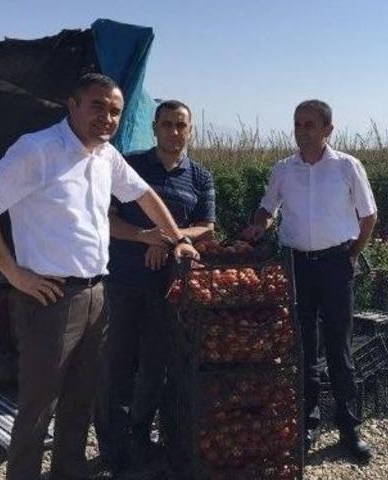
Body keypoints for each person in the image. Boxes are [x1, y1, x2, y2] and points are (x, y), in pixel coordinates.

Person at [0, 73, 198, 480]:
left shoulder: (106, 156)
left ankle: (69, 472)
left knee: (81, 399)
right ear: (73, 105)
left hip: (96, 293)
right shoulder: (38, 150)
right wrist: (13, 273)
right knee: (39, 405)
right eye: (97, 106)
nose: (107, 118)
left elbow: (143, 195)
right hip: (49, 297)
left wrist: (177, 240)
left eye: (116, 111)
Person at [240, 99, 378, 463]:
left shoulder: (348, 167)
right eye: (298, 124)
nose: (302, 131)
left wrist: (350, 256)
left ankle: (349, 428)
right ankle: (308, 423)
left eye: (310, 125)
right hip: (297, 267)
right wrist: (259, 223)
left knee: (339, 348)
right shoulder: (284, 169)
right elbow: (268, 207)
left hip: (336, 265)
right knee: (302, 347)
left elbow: (369, 217)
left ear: (328, 129)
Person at [96, 100, 215, 474]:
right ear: (155, 128)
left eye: (181, 125)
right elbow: (106, 220)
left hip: (171, 288)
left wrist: (166, 240)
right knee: (117, 363)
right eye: (167, 124)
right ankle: (113, 448)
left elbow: (207, 228)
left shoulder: (199, 176)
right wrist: (144, 237)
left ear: (190, 129)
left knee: (154, 365)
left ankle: (140, 438)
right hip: (124, 280)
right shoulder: (129, 164)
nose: (174, 132)